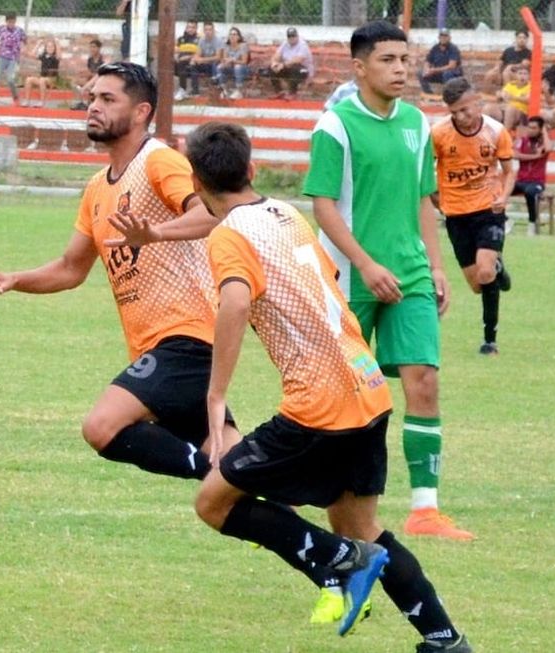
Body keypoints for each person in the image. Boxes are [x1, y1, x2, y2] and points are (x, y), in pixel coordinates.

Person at [0, 62, 342, 619]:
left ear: (140, 113)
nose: (93, 104)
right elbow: (70, 267)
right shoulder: (96, 189)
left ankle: (248, 482)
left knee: (103, 426)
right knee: (234, 493)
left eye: (107, 98)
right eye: (91, 96)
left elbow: (211, 214)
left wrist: (154, 231)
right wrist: (16, 280)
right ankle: (334, 562)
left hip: (187, 336)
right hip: (161, 350)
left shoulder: (158, 160)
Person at [188, 120, 474, 652]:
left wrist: (216, 394)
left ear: (196, 183)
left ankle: (339, 563)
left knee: (213, 502)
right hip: (365, 388)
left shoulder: (228, 234)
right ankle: (445, 640)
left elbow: (234, 299)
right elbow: (330, 280)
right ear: (252, 169)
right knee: (362, 528)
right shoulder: (286, 214)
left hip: (317, 405)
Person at [303, 21, 472, 541]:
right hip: (350, 277)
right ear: (359, 68)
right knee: (346, 395)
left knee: (424, 381)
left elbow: (425, 200)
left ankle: (425, 510)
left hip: (411, 273)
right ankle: (333, 496)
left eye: (405, 58)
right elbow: (323, 206)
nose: (401, 69)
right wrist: (367, 264)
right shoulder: (335, 125)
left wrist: (437, 265)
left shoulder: (418, 124)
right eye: (388, 60)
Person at [432, 77, 515, 356]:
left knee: (485, 270)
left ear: (478, 104)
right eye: (454, 112)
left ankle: (489, 341)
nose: (460, 117)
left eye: (465, 110)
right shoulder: (439, 134)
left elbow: (509, 170)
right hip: (456, 215)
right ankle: (498, 270)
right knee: (479, 285)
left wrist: (503, 196)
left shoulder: (495, 131)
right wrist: (436, 200)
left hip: (488, 210)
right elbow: (424, 173)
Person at [510, 115, 550, 236]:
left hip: (537, 182)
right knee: (497, 190)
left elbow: (548, 149)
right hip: (521, 180)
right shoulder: (523, 140)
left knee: (530, 192)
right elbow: (514, 154)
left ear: (540, 129)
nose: (530, 130)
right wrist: (535, 156)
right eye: (529, 127)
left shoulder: (543, 142)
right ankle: (505, 220)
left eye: (534, 128)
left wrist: (544, 131)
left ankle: (532, 223)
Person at [269, 27, 312, 99]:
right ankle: (279, 91)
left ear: (297, 36)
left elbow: (298, 60)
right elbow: (277, 55)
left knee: (295, 68)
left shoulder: (302, 45)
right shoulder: (285, 43)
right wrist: (274, 63)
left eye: (293, 36)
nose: (292, 38)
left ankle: (292, 93)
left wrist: (283, 65)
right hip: (288, 67)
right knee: (272, 68)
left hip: (303, 69)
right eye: (290, 36)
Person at [487, 64, 530, 133]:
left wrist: (512, 97)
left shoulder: (531, 86)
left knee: (510, 108)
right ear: (516, 75)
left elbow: (528, 99)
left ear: (529, 76)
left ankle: (505, 135)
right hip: (505, 109)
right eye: (520, 73)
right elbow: (502, 96)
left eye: (525, 74)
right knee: (488, 107)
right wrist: (499, 95)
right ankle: (485, 134)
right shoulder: (511, 85)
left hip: (520, 113)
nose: (522, 76)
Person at [418, 28, 462, 94]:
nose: (443, 38)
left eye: (445, 36)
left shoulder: (453, 49)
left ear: (450, 38)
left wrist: (434, 70)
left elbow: (451, 66)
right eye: (442, 36)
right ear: (438, 37)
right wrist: (426, 69)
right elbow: (428, 61)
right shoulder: (435, 48)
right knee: (421, 73)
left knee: (447, 74)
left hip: (453, 75)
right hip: (438, 74)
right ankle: (429, 94)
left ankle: (448, 95)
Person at [189, 21, 223, 97]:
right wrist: (194, 59)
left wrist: (203, 60)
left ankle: (217, 91)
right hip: (205, 64)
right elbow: (198, 54)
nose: (208, 32)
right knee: (193, 65)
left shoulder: (218, 40)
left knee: (215, 64)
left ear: (213, 30)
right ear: (204, 31)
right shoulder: (201, 40)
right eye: (206, 30)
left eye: (210, 29)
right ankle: (195, 91)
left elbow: (218, 57)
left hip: (214, 65)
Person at [22, 38, 60, 107]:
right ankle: (27, 101)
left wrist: (57, 43)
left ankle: (41, 102)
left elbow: (59, 55)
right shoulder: (44, 56)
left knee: (42, 80)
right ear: (46, 48)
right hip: (43, 78)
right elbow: (32, 55)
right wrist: (38, 44)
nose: (50, 48)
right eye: (48, 46)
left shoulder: (55, 57)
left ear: (54, 48)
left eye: (52, 46)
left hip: (52, 79)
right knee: (29, 79)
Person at [216, 26, 249, 99]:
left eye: (235, 34)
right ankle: (224, 90)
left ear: (239, 37)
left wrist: (233, 60)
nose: (232, 36)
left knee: (237, 67)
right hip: (231, 67)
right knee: (219, 67)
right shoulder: (226, 46)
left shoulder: (243, 46)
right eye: (231, 34)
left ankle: (239, 91)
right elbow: (225, 59)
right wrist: (225, 63)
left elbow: (244, 61)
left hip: (243, 69)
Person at [71, 39, 105, 110]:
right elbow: (90, 71)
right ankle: (80, 102)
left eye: (94, 47)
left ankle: (88, 99)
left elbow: (100, 74)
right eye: (91, 47)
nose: (92, 49)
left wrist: (90, 74)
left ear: (99, 48)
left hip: (100, 80)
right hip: (91, 80)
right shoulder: (90, 59)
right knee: (75, 81)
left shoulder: (102, 60)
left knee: (89, 83)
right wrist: (83, 73)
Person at [173, 21, 199, 101]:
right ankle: (167, 90)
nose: (190, 29)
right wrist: (176, 56)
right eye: (189, 27)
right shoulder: (181, 39)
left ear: (196, 29)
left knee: (182, 63)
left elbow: (199, 53)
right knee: (169, 63)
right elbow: (175, 50)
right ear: (186, 28)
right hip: (181, 61)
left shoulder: (198, 40)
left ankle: (182, 89)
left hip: (194, 61)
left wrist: (188, 57)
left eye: (193, 27)